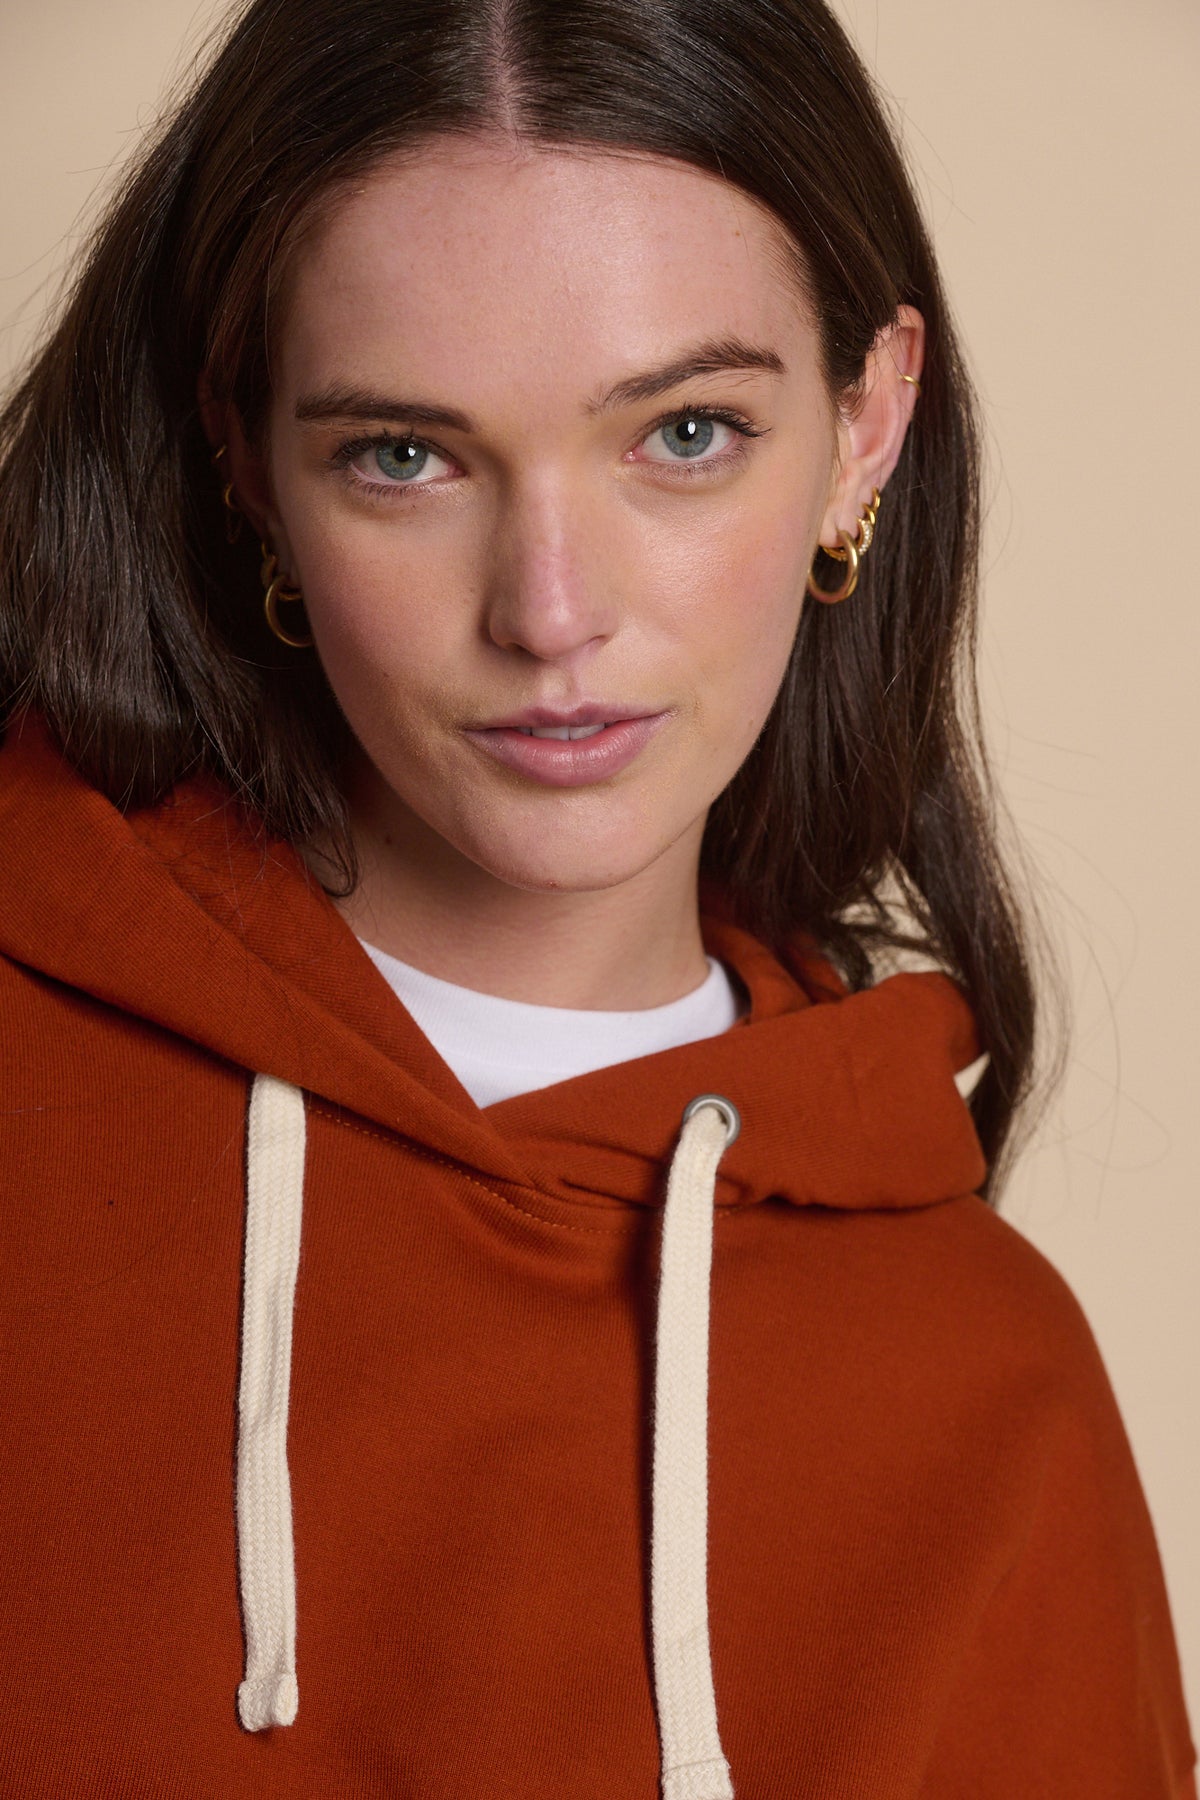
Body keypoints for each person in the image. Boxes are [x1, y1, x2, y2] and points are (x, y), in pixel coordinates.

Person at [0, 0, 1193, 1793]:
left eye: (686, 433)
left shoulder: (989, 1390)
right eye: (402, 454)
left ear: (867, 427)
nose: (550, 611)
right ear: (245, 462)